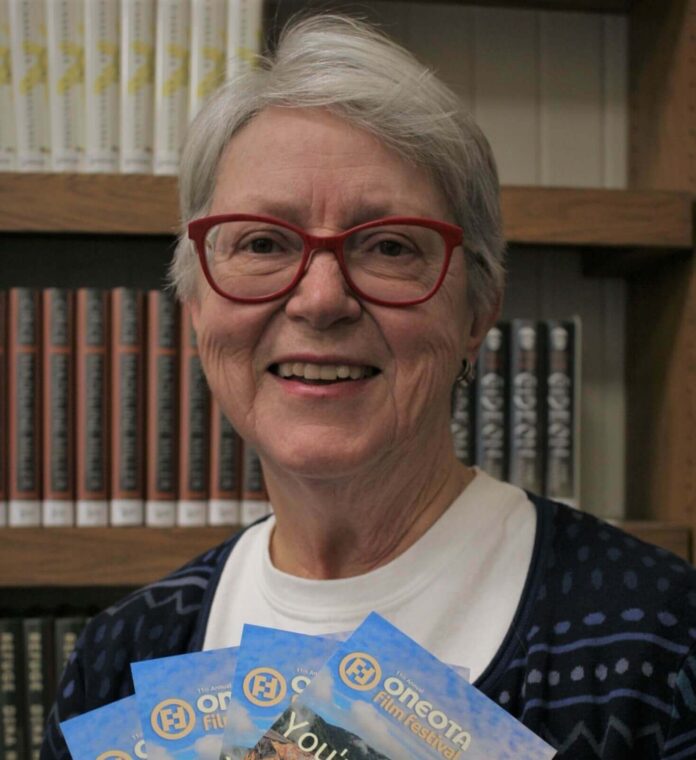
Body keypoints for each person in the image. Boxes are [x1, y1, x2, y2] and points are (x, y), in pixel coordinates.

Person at [42, 14, 695, 760]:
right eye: (262, 243)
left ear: (478, 309)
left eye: (388, 247)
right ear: (196, 308)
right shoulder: (120, 660)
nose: (321, 300)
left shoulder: (662, 641)